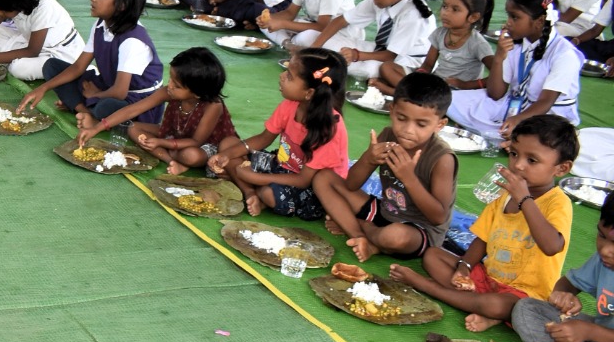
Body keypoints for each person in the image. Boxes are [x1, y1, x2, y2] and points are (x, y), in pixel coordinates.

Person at [391, 115, 577, 332]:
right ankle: (482, 309)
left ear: (561, 169)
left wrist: (524, 199)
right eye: (514, 154)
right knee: (433, 256)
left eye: (532, 161)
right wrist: (464, 268)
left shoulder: (557, 203)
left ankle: (427, 287)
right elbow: (483, 238)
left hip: (526, 294)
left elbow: (552, 246)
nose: (518, 165)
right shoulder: (505, 196)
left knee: (498, 305)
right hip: (488, 279)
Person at [314, 73, 457, 262]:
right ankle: (360, 236)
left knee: (395, 237)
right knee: (323, 178)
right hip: (385, 210)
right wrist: (368, 160)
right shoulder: (388, 136)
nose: (408, 130)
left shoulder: (442, 158)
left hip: (418, 229)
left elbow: (438, 217)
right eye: (401, 118)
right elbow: (350, 185)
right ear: (392, 110)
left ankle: (363, 229)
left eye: (421, 124)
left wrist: (409, 178)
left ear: (440, 124)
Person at [208, 47, 350, 220]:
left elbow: (303, 180)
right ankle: (250, 192)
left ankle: (257, 192)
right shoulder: (290, 105)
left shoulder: (329, 128)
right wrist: (226, 155)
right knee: (228, 144)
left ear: (309, 93)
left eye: (289, 76)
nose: (281, 76)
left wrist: (257, 178)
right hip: (282, 165)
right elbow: (263, 139)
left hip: (312, 186)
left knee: (269, 193)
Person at [18, 0, 163, 123]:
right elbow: (78, 67)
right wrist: (43, 88)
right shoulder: (101, 25)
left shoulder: (132, 41)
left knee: (105, 106)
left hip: (136, 100)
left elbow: (120, 92)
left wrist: (95, 95)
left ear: (122, 4)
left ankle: (89, 110)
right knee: (52, 66)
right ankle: (85, 111)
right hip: (108, 85)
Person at [446, 0, 583, 141]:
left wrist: (518, 120)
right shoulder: (516, 44)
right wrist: (499, 57)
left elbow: (546, 101)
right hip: (513, 104)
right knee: (450, 100)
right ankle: (510, 135)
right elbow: (495, 94)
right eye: (508, 16)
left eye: (515, 17)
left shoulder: (565, 54)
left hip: (548, 114)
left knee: (539, 134)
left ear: (540, 21)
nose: (508, 23)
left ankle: (512, 136)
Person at [512, 196, 614, 342]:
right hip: (601, 339)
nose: (605, 250)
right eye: (601, 236)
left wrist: (588, 332)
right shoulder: (602, 260)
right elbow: (569, 283)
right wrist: (563, 294)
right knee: (527, 309)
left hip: (597, 337)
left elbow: (590, 331)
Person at [88, 47, 238, 175]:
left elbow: (196, 141)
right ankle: (171, 160)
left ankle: (177, 157)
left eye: (177, 85)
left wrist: (161, 142)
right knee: (132, 127)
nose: (170, 85)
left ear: (197, 93)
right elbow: (133, 110)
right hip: (176, 135)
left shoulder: (213, 106)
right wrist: (98, 127)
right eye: (170, 79)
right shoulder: (169, 91)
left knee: (190, 155)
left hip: (205, 144)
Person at [315, 0, 435, 85]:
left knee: (359, 68)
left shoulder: (413, 15)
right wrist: (315, 47)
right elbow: (342, 20)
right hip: (380, 49)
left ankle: (389, 81)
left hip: (405, 62)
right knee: (312, 37)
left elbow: (391, 56)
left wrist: (356, 55)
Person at [387, 0, 495, 92]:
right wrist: (420, 76)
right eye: (445, 6)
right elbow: (428, 65)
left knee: (406, 87)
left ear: (473, 17)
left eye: (455, 9)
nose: (445, 13)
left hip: (457, 93)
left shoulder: (478, 44)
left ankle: (402, 92)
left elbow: (498, 75)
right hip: (436, 85)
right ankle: (411, 92)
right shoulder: (440, 33)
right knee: (387, 67)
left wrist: (466, 85)